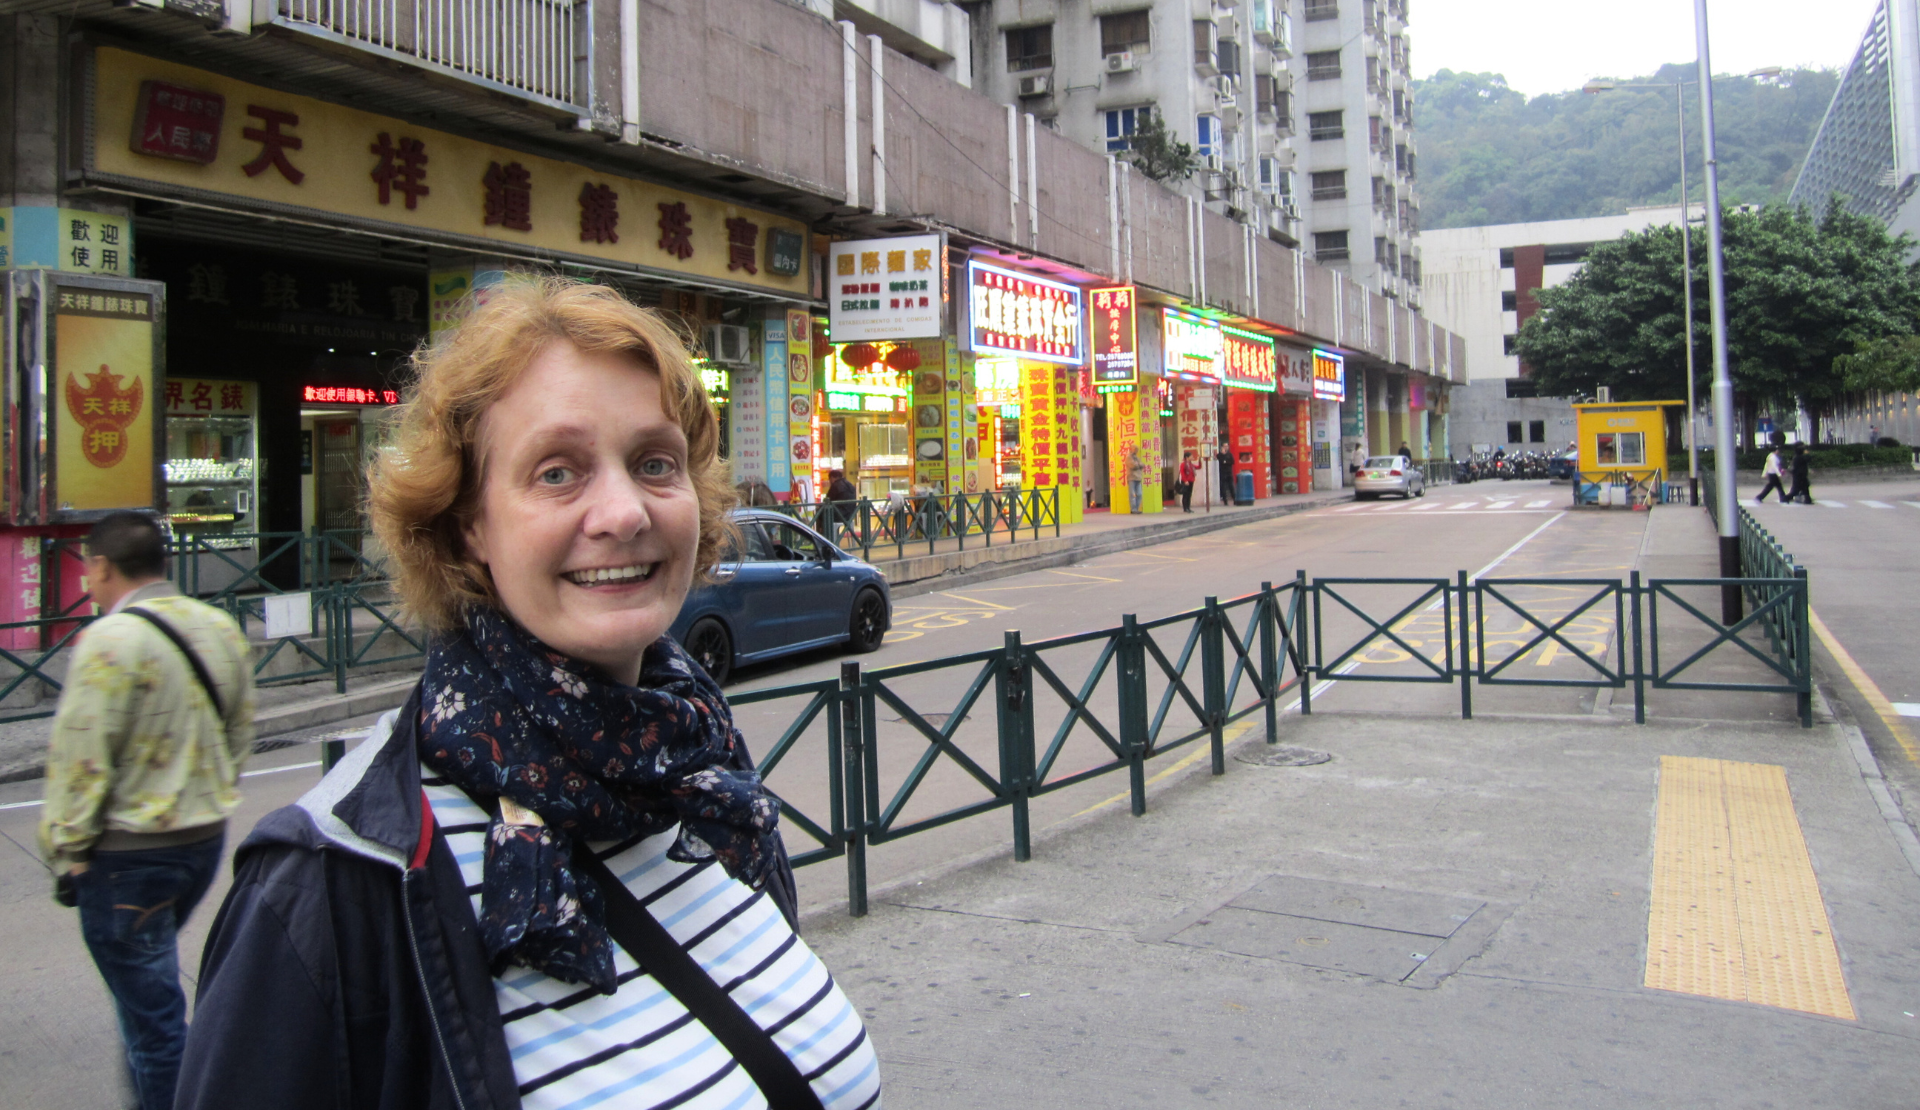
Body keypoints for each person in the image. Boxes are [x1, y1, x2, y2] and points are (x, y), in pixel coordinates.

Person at [178, 278, 880, 1110]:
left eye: (656, 463)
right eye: (557, 472)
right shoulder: (335, 887)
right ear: (467, 524)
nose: (622, 511)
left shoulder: (705, 779)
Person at [40, 510, 255, 1110]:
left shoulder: (109, 640)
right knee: (145, 1000)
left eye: (89, 566)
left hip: (127, 858)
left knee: (155, 1023)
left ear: (102, 566)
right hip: (201, 842)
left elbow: (80, 758)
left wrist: (69, 850)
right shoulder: (217, 626)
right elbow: (239, 733)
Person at [819, 466, 858, 541]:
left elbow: (828, 500)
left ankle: (824, 539)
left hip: (839, 515)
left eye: (829, 479)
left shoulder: (836, 485)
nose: (829, 481)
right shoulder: (849, 484)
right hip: (850, 515)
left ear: (832, 478)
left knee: (821, 514)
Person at [1125, 445, 1145, 513]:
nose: (1136, 450)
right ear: (1131, 449)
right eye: (1135, 449)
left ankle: (1136, 508)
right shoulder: (1128, 457)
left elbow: (1143, 465)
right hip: (1132, 478)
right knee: (1132, 494)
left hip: (1138, 478)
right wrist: (1139, 465)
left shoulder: (1137, 458)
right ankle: (1133, 509)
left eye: (1137, 449)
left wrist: (1138, 464)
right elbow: (1133, 465)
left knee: (1139, 494)